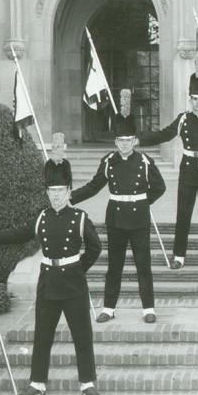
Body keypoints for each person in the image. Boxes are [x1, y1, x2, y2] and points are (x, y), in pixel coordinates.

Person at [0, 138, 102, 395]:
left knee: (82, 334)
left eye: (61, 189)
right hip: (48, 283)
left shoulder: (80, 218)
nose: (56, 194)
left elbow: (95, 248)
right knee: (42, 334)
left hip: (73, 285)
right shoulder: (42, 217)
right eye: (52, 190)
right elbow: (16, 235)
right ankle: (37, 383)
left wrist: (78, 269)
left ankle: (87, 382)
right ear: (46, 191)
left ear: (69, 189)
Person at [71, 90, 166, 324]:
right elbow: (93, 187)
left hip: (139, 220)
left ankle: (148, 309)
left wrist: (143, 202)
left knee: (143, 265)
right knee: (114, 266)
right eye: (121, 141)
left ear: (135, 141)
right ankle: (109, 308)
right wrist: (69, 198)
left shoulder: (144, 161)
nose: (125, 145)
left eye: (129, 141)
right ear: (115, 142)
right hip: (116, 220)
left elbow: (160, 187)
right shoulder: (108, 162)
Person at [137, 57, 198, 270]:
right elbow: (164, 135)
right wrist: (139, 140)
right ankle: (179, 256)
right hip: (188, 169)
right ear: (189, 99)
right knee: (183, 213)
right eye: (194, 98)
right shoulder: (183, 119)